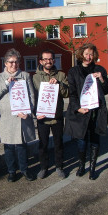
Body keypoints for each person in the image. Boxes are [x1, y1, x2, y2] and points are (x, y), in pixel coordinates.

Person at [65, 43, 108, 180]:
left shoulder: (99, 69)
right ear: (81, 55)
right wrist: (77, 107)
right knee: (81, 140)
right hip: (81, 112)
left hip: (96, 112)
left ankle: (92, 169)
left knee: (95, 140)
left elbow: (106, 90)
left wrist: (101, 79)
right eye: (86, 54)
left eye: (91, 54)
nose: (88, 57)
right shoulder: (73, 71)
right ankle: (81, 166)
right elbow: (72, 93)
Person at [0, 48, 36, 182]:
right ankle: (11, 171)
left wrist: (28, 111)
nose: (13, 65)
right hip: (5, 118)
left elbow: (31, 96)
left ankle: (25, 169)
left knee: (22, 145)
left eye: (16, 62)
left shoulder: (25, 76)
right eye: (10, 62)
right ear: (5, 63)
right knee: (8, 146)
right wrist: (6, 83)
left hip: (22, 117)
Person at [33, 49, 69, 179]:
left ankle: (59, 166)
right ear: (41, 61)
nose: (48, 61)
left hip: (57, 116)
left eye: (50, 59)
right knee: (43, 145)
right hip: (42, 117)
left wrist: (59, 84)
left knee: (59, 144)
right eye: (45, 59)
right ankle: (44, 167)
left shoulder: (61, 75)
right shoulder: (35, 77)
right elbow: (33, 97)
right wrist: (35, 113)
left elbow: (67, 94)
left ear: (54, 60)